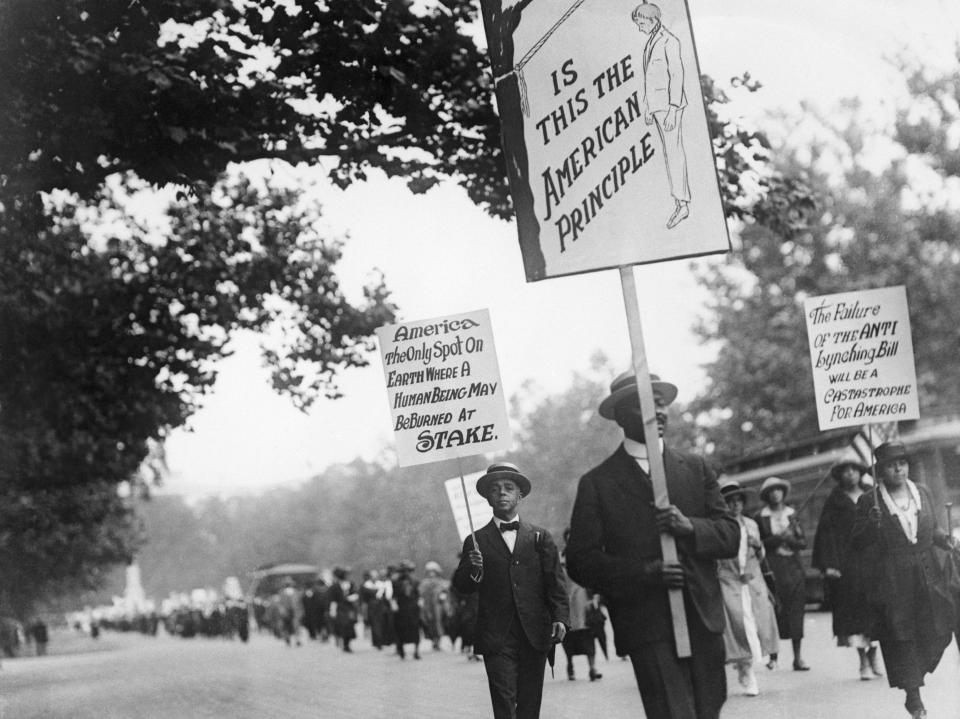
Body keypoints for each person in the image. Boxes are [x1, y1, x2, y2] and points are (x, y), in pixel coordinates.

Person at [566, 371, 739, 719]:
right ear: (620, 416)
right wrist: (646, 572)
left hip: (702, 617)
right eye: (644, 405)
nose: (657, 412)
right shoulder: (598, 483)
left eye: (660, 404)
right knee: (673, 713)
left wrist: (690, 527)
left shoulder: (695, 467)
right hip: (647, 623)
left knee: (708, 710)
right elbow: (581, 561)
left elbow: (730, 535)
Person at [453, 462, 569, 719]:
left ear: (520, 495)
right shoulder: (476, 541)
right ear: (487, 497)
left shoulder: (540, 537)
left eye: (508, 488)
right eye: (495, 489)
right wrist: (471, 567)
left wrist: (561, 617)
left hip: (534, 633)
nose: (502, 493)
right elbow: (462, 587)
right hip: (497, 636)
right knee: (504, 704)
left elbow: (555, 583)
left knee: (529, 704)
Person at [851, 442, 957, 719]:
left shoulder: (921, 491)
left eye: (902, 463)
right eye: (891, 464)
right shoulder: (869, 501)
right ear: (881, 471)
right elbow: (856, 543)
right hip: (893, 577)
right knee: (902, 635)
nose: (898, 468)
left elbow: (931, 528)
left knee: (940, 629)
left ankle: (913, 674)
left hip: (927, 571)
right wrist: (869, 525)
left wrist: (945, 539)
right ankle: (914, 697)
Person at [478, 0, 545, 280]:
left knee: (521, 166)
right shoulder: (500, 17)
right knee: (518, 169)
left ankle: (537, 260)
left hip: (509, 86)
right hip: (505, 87)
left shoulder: (507, 15)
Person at [813, 459, 883, 679]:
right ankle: (862, 661)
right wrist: (830, 564)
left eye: (854, 470)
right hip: (848, 564)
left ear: (860, 473)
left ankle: (874, 657)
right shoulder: (834, 501)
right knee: (855, 612)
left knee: (876, 609)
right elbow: (826, 534)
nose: (851, 474)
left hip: (872, 560)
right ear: (840, 475)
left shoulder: (871, 495)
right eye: (846, 471)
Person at [631, 3, 691, 229]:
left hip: (669, 107)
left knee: (674, 153)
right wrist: (647, 107)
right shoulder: (651, 43)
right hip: (656, 107)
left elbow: (677, 75)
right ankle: (679, 201)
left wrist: (673, 109)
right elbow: (650, 77)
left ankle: (683, 204)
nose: (640, 28)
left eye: (642, 24)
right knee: (668, 155)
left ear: (654, 20)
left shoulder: (670, 41)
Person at [717, 479, 779, 697]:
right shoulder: (720, 526)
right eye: (730, 501)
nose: (735, 505)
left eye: (738, 501)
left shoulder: (751, 525)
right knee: (738, 624)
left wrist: (758, 546)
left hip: (752, 580)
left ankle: (749, 665)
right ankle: (746, 669)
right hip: (729, 580)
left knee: (758, 623)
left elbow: (761, 557)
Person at [756, 476, 809, 670]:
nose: (775, 494)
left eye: (778, 490)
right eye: (771, 491)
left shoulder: (792, 514)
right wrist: (778, 538)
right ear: (766, 496)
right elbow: (760, 544)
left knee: (796, 611)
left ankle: (798, 657)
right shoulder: (760, 517)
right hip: (773, 568)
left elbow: (802, 543)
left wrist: (791, 539)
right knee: (775, 609)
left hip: (793, 567)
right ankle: (773, 657)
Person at [560, 528, 603, 682]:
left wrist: (596, 596)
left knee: (589, 634)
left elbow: (594, 577)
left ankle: (592, 668)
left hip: (584, 602)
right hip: (567, 603)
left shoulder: (585, 556)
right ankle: (570, 665)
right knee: (568, 637)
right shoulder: (560, 560)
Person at [392, 559, 422, 660]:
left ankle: (416, 651)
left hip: (413, 608)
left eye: (408, 570)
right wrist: (394, 604)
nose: (406, 573)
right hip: (401, 609)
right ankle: (401, 650)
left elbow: (418, 594)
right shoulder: (395, 582)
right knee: (400, 630)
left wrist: (420, 602)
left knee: (415, 629)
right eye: (403, 571)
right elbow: (393, 596)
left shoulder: (415, 581)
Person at [419, 560, 450, 651]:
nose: (431, 574)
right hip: (428, 606)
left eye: (433, 572)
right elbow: (420, 593)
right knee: (429, 622)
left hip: (438, 606)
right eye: (430, 572)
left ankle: (438, 641)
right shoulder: (424, 583)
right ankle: (433, 640)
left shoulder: (442, 582)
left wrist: (443, 596)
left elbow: (446, 592)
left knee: (438, 622)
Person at [328, 566, 359, 653]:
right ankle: (344, 642)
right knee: (342, 626)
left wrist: (352, 598)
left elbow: (356, 594)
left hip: (350, 608)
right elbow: (333, 600)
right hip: (340, 609)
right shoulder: (335, 587)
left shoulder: (351, 585)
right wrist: (332, 610)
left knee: (350, 625)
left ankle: (347, 643)